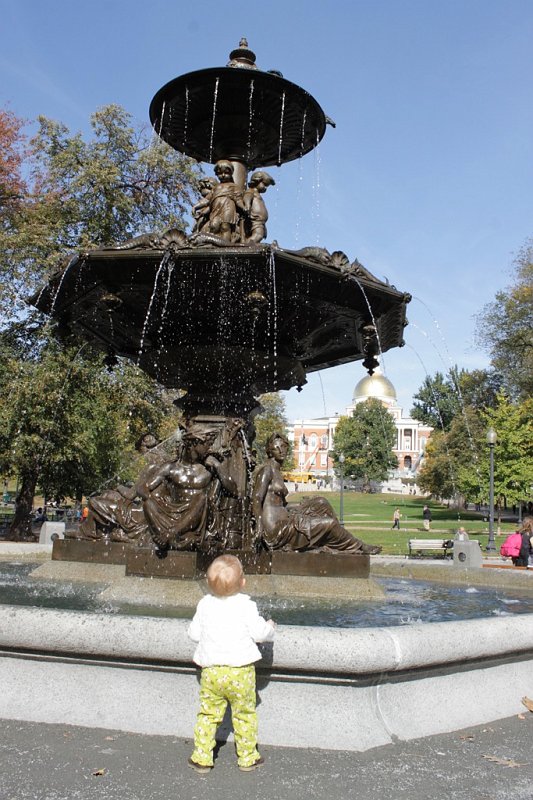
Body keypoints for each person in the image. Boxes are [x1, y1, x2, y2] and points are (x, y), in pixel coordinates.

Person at [187, 555, 275, 773]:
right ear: (243, 582)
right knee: (244, 713)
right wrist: (271, 627)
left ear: (208, 584)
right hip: (240, 672)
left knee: (208, 714)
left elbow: (194, 633)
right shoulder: (246, 605)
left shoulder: (205, 604)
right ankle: (247, 757)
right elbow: (260, 633)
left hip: (212, 672)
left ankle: (202, 757)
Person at [252, 433, 381, 554]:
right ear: (269, 451)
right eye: (277, 448)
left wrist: (305, 504)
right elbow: (257, 498)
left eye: (284, 447)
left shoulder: (277, 471)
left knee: (321, 502)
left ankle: (336, 541)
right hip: (276, 529)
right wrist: (259, 525)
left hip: (285, 519)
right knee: (329, 523)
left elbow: (282, 504)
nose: (281, 450)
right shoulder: (267, 470)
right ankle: (358, 546)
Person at [207, 160, 245, 242]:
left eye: (226, 173)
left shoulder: (234, 186)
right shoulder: (215, 188)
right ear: (216, 174)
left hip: (228, 208)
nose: (223, 175)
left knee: (225, 226)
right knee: (213, 226)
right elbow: (207, 199)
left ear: (231, 173)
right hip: (215, 209)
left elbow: (238, 200)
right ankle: (214, 244)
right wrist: (197, 206)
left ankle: (225, 244)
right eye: (220, 173)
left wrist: (243, 207)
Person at [242, 170, 275, 243]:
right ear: (257, 181)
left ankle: (249, 245)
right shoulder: (251, 191)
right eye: (265, 184)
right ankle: (246, 246)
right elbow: (247, 197)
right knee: (258, 235)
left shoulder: (257, 194)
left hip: (260, 221)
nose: (265, 188)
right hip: (255, 219)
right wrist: (247, 205)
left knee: (260, 235)